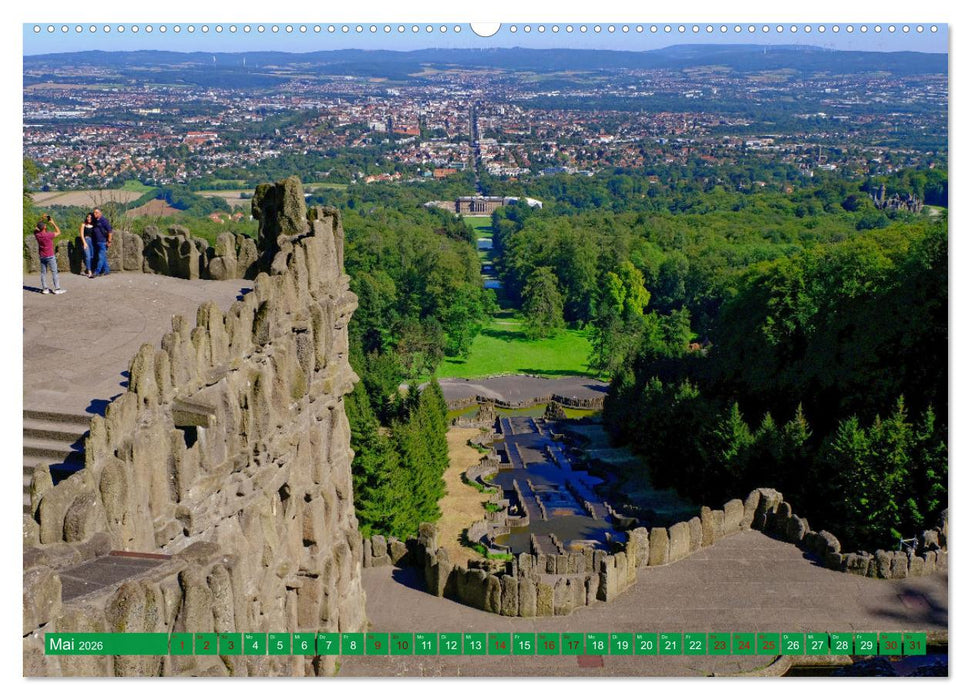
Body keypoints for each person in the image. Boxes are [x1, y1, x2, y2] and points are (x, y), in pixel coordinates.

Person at [34, 215, 65, 294]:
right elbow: (59, 232)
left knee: (43, 273)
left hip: (42, 256)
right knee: (54, 272)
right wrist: (53, 223)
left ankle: (45, 289)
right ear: (44, 227)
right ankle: (57, 289)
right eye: (45, 225)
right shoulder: (48, 235)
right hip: (50, 256)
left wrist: (41, 219)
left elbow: (36, 228)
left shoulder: (37, 235)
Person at [91, 207, 113, 276]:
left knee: (101, 257)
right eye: (94, 212)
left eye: (96, 212)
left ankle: (97, 272)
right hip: (98, 242)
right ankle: (107, 270)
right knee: (103, 257)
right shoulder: (96, 220)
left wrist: (109, 241)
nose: (94, 214)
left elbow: (110, 231)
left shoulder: (103, 220)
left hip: (103, 242)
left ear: (100, 213)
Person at [79, 213, 94, 278]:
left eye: (90, 217)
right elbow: (81, 235)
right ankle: (89, 271)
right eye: (88, 217)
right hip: (86, 240)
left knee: (92, 256)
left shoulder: (94, 225)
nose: (89, 218)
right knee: (88, 256)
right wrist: (84, 243)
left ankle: (91, 269)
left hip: (93, 242)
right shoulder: (83, 225)